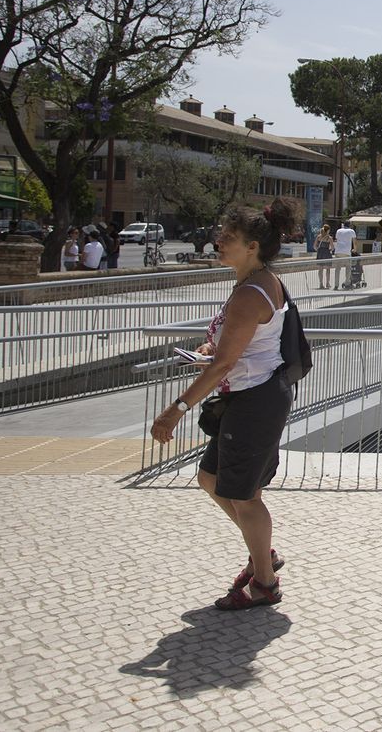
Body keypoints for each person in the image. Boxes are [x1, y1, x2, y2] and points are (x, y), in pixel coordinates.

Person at [150, 198, 299, 610]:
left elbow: (226, 365)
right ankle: (262, 553)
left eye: (228, 238)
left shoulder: (251, 292)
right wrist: (213, 347)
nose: (219, 242)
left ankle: (265, 582)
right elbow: (235, 348)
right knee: (211, 479)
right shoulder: (258, 280)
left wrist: (174, 410)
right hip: (249, 396)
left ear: (252, 246)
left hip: (255, 400)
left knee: (245, 494)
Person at [333, 219, 355, 288]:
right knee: (348, 268)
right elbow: (355, 242)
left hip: (338, 251)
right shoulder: (351, 231)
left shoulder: (338, 231)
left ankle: (336, 285)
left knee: (337, 269)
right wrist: (355, 249)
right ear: (350, 225)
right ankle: (347, 283)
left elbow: (337, 239)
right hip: (346, 252)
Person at [313, 223, 334, 289]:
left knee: (320, 269)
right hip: (327, 253)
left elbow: (314, 246)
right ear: (327, 230)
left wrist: (318, 250)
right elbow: (332, 248)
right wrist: (330, 250)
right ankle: (327, 283)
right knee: (328, 269)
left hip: (320, 253)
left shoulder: (319, 237)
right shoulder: (329, 238)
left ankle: (321, 284)